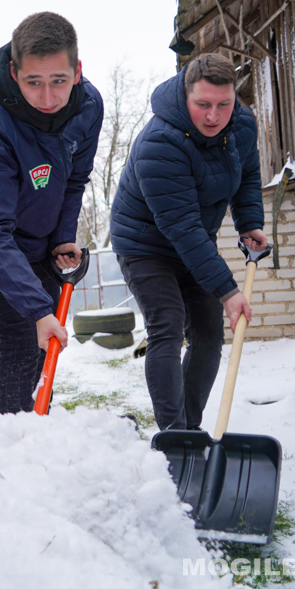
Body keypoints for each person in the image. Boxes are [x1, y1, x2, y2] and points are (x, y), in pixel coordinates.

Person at [0, 12, 104, 414]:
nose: (48, 98)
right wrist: (36, 310)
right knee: (22, 334)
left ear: (77, 71)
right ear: (15, 73)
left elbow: (74, 178)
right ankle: (17, 441)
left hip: (40, 236)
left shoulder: (88, 106)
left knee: (45, 338)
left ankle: (37, 427)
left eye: (59, 81)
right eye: (34, 82)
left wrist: (63, 236)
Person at [109, 53, 268, 431]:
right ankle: (174, 435)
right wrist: (228, 292)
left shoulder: (242, 125)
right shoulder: (159, 144)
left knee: (209, 334)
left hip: (193, 237)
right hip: (145, 244)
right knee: (167, 325)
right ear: (186, 95)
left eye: (223, 105)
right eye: (203, 105)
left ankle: (189, 430)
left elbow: (247, 173)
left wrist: (249, 222)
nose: (213, 116)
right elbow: (182, 228)